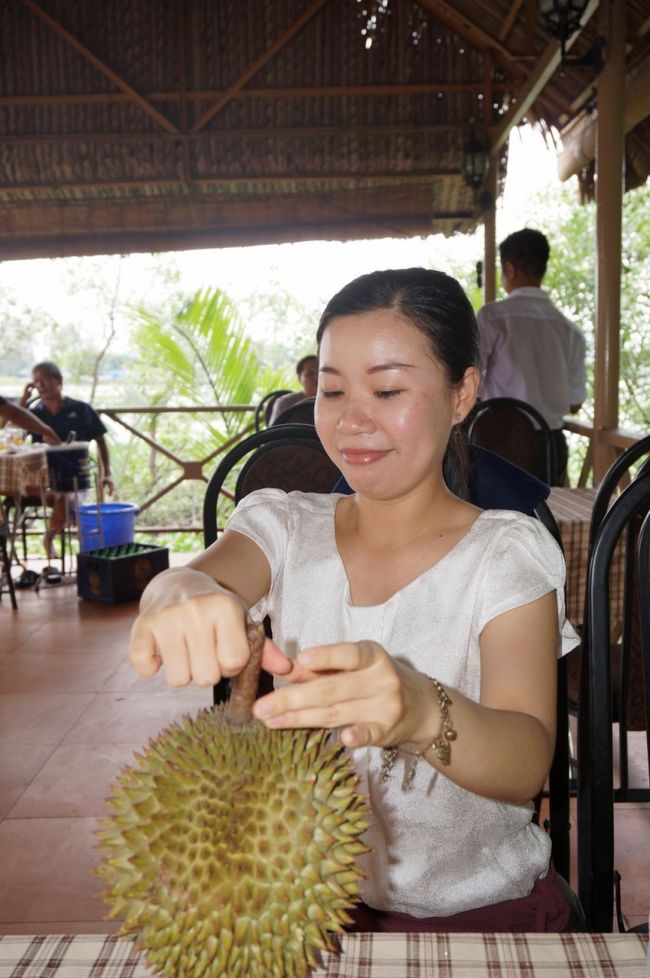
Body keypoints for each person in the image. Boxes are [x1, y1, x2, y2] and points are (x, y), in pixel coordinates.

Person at [129, 268, 580, 932]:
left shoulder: (505, 554)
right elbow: (207, 576)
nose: (351, 420)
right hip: (313, 913)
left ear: (462, 393)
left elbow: (526, 761)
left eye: (388, 389)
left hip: (486, 911)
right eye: (332, 390)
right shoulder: (284, 526)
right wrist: (176, 588)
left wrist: (422, 710)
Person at [476, 229, 587, 485]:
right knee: (549, 509)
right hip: (551, 444)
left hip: (501, 441)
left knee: (494, 509)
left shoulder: (492, 317)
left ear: (510, 268)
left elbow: (471, 381)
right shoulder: (570, 330)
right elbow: (575, 403)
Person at [20, 361, 114, 560]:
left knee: (67, 498)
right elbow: (9, 431)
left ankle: (50, 538)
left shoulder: (81, 409)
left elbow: (101, 440)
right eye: (36, 382)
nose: (40, 386)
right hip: (42, 480)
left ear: (59, 380)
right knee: (53, 498)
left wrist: (106, 473)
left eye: (45, 380)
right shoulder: (34, 413)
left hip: (74, 477)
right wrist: (23, 401)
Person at [268, 353, 318, 423]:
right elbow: (275, 429)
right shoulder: (285, 403)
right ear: (299, 378)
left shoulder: (331, 403)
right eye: (310, 374)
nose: (316, 377)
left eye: (320, 373)